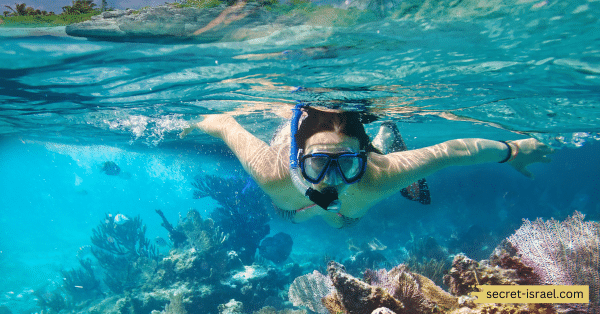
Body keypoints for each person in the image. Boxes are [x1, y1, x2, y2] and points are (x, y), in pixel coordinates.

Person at [180, 104, 554, 229]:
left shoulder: (378, 175)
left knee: (343, 220)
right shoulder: (272, 173)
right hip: (292, 203)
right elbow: (226, 123)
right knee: (291, 214)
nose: (331, 180)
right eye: (317, 165)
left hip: (361, 176)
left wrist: (513, 150)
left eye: (346, 164)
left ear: (363, 158)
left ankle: (384, 138)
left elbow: (452, 151)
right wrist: (195, 123)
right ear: (298, 160)